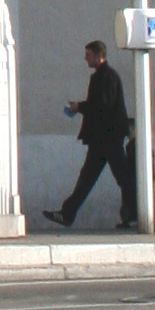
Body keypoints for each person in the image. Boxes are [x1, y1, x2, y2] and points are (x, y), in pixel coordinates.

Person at [44, 40, 136, 230]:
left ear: (98, 55)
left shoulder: (107, 77)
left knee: (122, 177)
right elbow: (99, 104)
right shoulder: (101, 77)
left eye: (88, 55)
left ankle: (135, 214)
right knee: (87, 178)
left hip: (109, 137)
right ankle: (67, 213)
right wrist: (81, 106)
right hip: (101, 138)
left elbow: (103, 106)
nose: (85, 59)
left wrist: (80, 107)